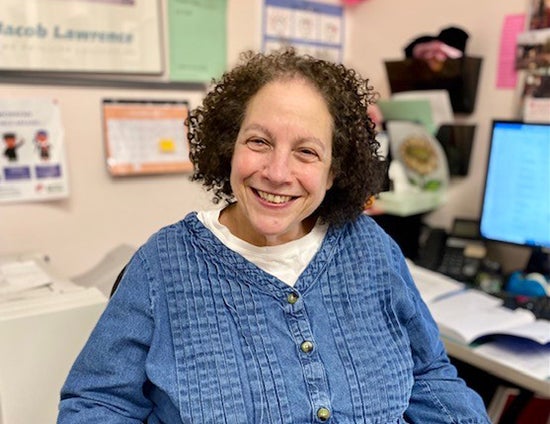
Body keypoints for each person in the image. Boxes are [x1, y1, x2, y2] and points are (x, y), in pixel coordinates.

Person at [57, 48, 490, 423]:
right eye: (260, 142)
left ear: (333, 170)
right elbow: (98, 403)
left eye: (306, 152)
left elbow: (429, 374)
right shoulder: (162, 265)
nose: (278, 173)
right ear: (230, 147)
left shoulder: (371, 248)